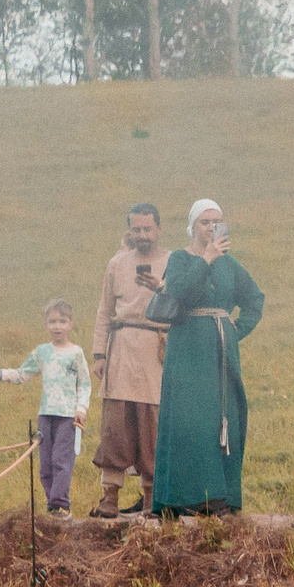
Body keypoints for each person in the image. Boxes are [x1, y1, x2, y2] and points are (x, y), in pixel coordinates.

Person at [151, 199, 266, 517]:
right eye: (205, 222)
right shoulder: (179, 258)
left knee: (223, 417)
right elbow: (177, 294)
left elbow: (255, 299)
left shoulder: (230, 265)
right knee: (189, 421)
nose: (212, 227)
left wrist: (235, 330)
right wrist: (205, 259)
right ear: (192, 226)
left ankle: (221, 496)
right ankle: (183, 498)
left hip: (219, 350)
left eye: (217, 221)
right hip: (187, 349)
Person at [90, 204, 167, 517]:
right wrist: (99, 353)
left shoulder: (172, 262)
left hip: (155, 348)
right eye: (136, 229)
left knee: (151, 425)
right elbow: (104, 310)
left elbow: (180, 303)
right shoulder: (117, 263)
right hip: (121, 347)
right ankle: (110, 496)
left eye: (148, 229)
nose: (143, 235)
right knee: (115, 426)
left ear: (158, 229)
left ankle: (150, 498)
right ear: (129, 231)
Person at [0, 301, 93, 516]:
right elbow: (22, 374)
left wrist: (81, 409)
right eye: (53, 321)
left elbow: (85, 383)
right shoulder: (42, 352)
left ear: (70, 324)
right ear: (46, 324)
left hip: (68, 417)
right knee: (45, 466)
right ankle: (52, 508)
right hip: (45, 416)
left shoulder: (76, 352)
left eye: (62, 321)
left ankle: (60, 504)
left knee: (61, 461)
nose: (57, 326)